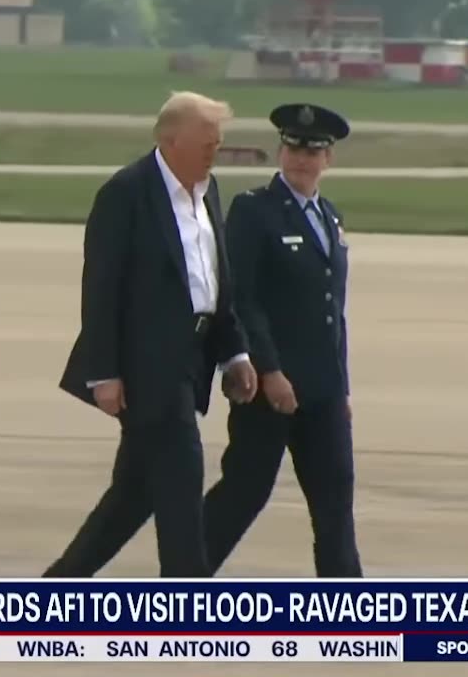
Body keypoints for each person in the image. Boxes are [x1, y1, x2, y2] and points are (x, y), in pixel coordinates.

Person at [45, 91, 258, 578]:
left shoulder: (208, 192)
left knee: (134, 494)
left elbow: (214, 283)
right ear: (171, 140)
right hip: (147, 368)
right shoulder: (127, 193)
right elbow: (101, 289)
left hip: (192, 360)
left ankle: (58, 585)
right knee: (183, 479)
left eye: (218, 144)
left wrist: (235, 354)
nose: (214, 152)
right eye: (207, 142)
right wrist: (104, 372)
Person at [201, 102, 362, 577]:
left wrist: (342, 385)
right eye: (293, 147)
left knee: (334, 500)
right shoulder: (254, 211)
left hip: (323, 389)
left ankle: (345, 603)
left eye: (313, 151)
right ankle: (184, 576)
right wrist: (269, 370)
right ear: (280, 151)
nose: (302, 158)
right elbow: (243, 299)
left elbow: (332, 311)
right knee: (245, 491)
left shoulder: (329, 218)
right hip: (269, 385)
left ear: (328, 159)